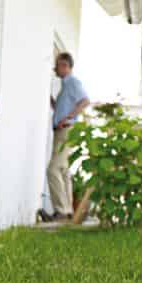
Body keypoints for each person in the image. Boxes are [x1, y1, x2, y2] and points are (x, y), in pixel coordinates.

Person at [44, 52, 90, 221]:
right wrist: (53, 103)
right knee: (63, 170)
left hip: (66, 130)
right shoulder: (65, 86)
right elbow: (63, 107)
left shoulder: (72, 82)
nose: (54, 68)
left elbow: (85, 101)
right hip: (61, 130)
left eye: (57, 65)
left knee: (53, 169)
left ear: (64, 65)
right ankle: (69, 210)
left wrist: (69, 117)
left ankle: (61, 210)